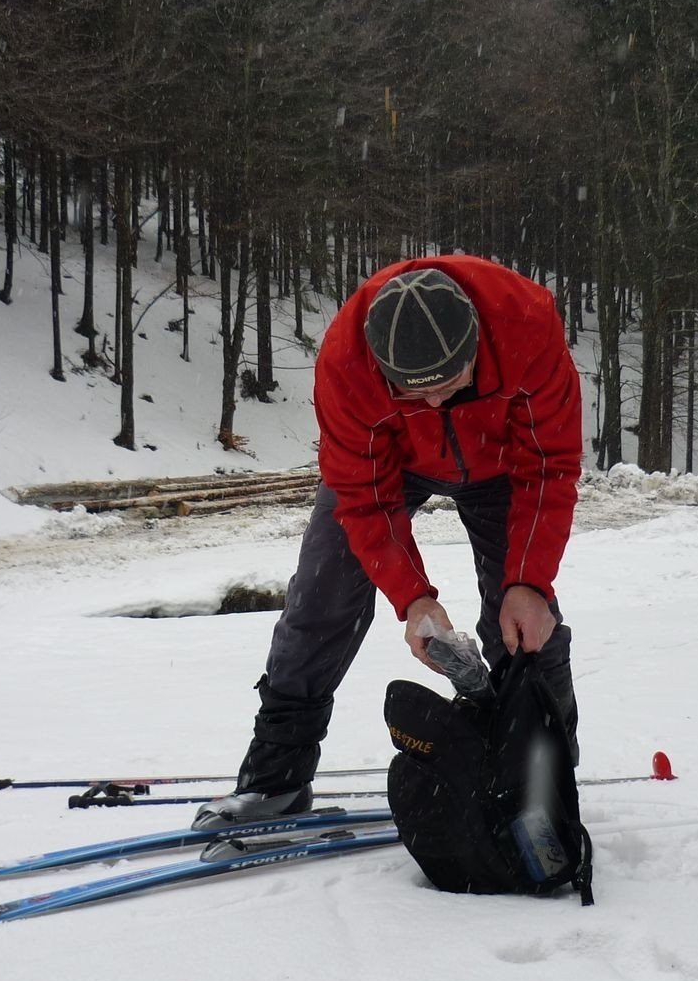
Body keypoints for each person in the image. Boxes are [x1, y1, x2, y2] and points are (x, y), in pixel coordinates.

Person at [195, 255, 583, 827]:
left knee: (525, 619)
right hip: (394, 467)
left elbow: (549, 466)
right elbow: (364, 496)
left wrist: (527, 581)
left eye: (449, 387)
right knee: (320, 600)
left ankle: (543, 777)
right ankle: (275, 777)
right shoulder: (347, 364)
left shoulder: (526, 324)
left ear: (476, 345)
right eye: (412, 393)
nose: (431, 405)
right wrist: (413, 598)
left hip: (502, 463)